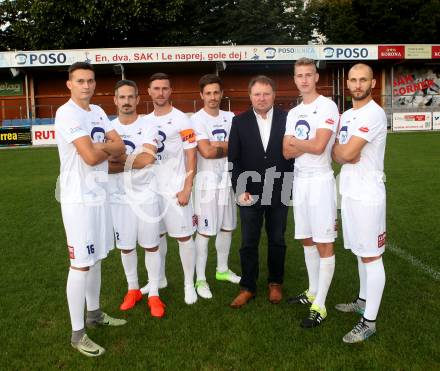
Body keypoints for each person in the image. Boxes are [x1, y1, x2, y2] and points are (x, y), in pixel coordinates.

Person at [55, 62, 126, 357]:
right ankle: (76, 334)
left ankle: (94, 314)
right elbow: (88, 156)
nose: (87, 85)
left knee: (96, 259)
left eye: (91, 80)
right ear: (69, 85)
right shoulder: (66, 113)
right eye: (80, 81)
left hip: (99, 197)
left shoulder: (96, 112)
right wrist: (104, 148)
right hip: (78, 200)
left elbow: (119, 145)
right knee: (80, 264)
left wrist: (103, 148)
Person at [332, 63, 387, 343]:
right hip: (350, 192)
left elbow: (347, 152)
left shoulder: (374, 114)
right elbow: (337, 152)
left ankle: (369, 322)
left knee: (371, 256)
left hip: (368, 195)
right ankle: (363, 301)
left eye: (362, 80)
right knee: (359, 252)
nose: (357, 85)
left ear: (372, 83)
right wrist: (342, 153)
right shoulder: (348, 114)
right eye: (352, 80)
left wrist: (342, 152)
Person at [283, 58, 339, 328]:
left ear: (317, 77)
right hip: (301, 181)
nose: (304, 79)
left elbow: (319, 147)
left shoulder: (327, 106)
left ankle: (321, 304)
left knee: (324, 242)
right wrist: (301, 144)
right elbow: (286, 151)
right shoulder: (293, 113)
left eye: (308, 75)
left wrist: (297, 142)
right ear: (294, 79)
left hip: (320, 180)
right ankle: (312, 291)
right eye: (299, 75)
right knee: (306, 239)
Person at [228, 75, 293, 308]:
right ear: (250, 96)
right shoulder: (239, 121)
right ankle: (248, 286)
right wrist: (240, 189)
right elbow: (234, 160)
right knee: (248, 242)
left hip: (280, 188)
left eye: (266, 93)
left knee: (277, 239)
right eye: (257, 94)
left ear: (274, 95)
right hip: (249, 191)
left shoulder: (289, 119)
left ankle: (275, 283)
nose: (262, 98)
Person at [108, 80, 165, 318]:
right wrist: (133, 161)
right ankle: (133, 289)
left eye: (131, 97)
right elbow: (104, 168)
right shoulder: (107, 128)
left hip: (146, 196)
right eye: (122, 97)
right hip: (119, 197)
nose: (127, 101)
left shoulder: (149, 125)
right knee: (126, 247)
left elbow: (148, 160)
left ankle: (153, 293)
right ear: (115, 100)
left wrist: (118, 162)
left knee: (151, 245)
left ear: (138, 99)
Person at [141, 73, 198, 305]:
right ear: (149, 91)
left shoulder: (182, 119)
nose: (161, 93)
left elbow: (191, 154)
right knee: (157, 236)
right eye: (156, 88)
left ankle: (188, 284)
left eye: (165, 88)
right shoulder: (145, 121)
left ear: (170, 90)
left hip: (175, 188)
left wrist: (187, 186)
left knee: (184, 237)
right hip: (152, 190)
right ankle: (160, 279)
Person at [191, 74, 240, 299]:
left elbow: (240, 146)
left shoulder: (231, 117)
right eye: (208, 93)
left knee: (227, 227)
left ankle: (221, 270)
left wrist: (217, 144)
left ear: (222, 94)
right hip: (206, 185)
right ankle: (200, 278)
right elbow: (206, 152)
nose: (212, 97)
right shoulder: (197, 120)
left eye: (216, 92)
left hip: (227, 181)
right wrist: (228, 146)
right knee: (204, 232)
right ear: (201, 95)